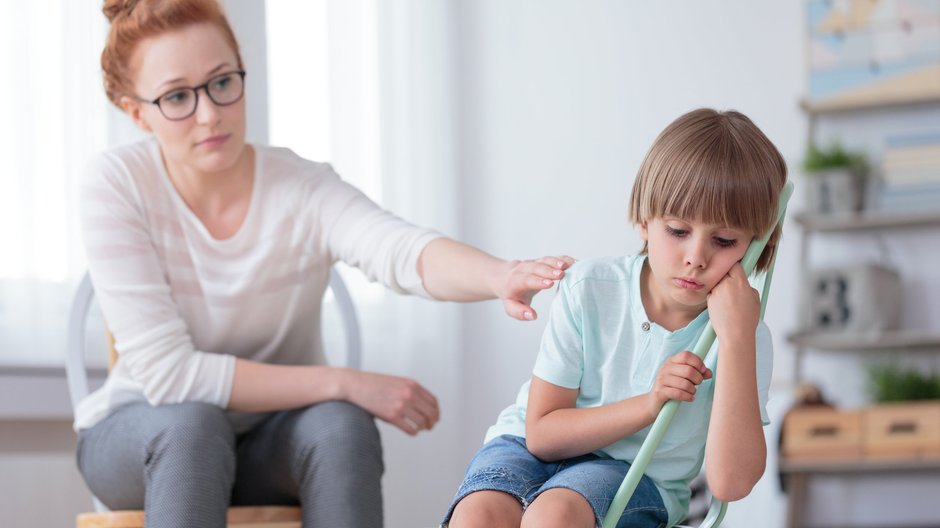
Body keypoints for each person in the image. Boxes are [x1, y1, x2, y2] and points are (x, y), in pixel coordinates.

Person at [75, 1, 573, 527]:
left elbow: (399, 248)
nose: (209, 113)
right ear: (136, 112)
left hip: (270, 442)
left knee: (341, 426)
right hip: (144, 439)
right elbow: (172, 377)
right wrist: (345, 381)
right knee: (195, 426)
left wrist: (499, 276)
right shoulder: (115, 183)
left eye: (222, 82)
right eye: (177, 96)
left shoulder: (300, 186)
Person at [443, 108, 787, 528]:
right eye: (678, 231)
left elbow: (731, 484)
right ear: (644, 221)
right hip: (528, 447)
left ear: (756, 245)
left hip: (635, 475)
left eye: (725, 240)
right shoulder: (590, 287)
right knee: (478, 515)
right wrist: (650, 403)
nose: (696, 257)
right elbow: (543, 436)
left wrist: (735, 340)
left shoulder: (743, 336)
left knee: (554, 516)